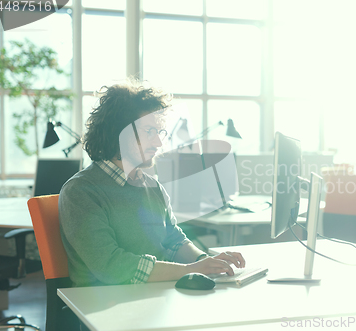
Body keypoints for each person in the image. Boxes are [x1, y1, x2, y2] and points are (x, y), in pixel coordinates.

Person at [59, 80, 245, 287]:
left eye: (159, 132)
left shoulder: (153, 186)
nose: (158, 142)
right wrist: (190, 270)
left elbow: (174, 240)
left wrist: (205, 261)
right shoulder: (81, 191)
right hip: (103, 305)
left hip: (155, 295)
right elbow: (110, 266)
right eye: (149, 131)